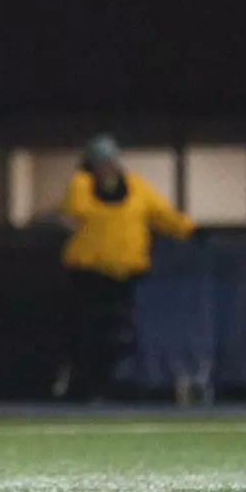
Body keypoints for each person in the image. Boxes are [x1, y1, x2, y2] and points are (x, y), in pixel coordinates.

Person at [57, 135, 195, 401]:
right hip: (88, 277)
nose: (106, 168)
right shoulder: (81, 187)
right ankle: (87, 386)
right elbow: (74, 209)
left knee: (121, 335)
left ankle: (115, 383)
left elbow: (162, 213)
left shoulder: (136, 187)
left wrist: (188, 229)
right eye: (100, 162)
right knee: (88, 334)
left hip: (126, 278)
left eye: (110, 161)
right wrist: (92, 184)